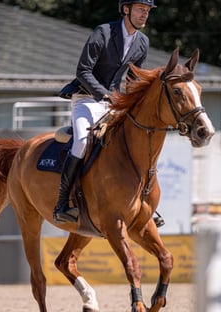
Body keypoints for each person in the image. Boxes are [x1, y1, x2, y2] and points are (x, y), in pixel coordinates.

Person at [53, 0, 157, 223]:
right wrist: (105, 94)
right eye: (140, 10)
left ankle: (145, 201)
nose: (144, 15)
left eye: (147, 11)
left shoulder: (143, 42)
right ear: (126, 9)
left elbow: (133, 78)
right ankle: (62, 202)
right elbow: (83, 70)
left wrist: (132, 102)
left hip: (114, 102)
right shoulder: (104, 32)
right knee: (82, 141)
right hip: (87, 98)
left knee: (136, 141)